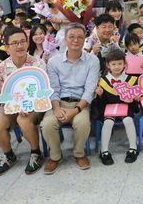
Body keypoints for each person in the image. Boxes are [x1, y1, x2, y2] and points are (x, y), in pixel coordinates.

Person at [42, 23, 100, 174]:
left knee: (83, 124)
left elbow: (89, 91)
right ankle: (55, 156)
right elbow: (53, 88)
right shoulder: (54, 62)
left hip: (80, 102)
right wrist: (56, 108)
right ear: (65, 40)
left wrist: (75, 110)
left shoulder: (92, 61)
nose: (76, 40)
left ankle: (79, 153)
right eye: (71, 37)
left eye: (80, 37)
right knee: (47, 124)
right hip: (59, 101)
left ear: (84, 39)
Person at [0, 26, 46, 176]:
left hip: (33, 105)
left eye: (23, 41)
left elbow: (42, 91)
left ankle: (36, 153)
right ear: (7, 47)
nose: (20, 46)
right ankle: (9, 155)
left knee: (24, 119)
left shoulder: (38, 64)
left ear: (28, 44)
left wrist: (25, 104)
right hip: (9, 106)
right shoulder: (1, 69)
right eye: (15, 43)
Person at [95, 49, 139, 165]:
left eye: (120, 63)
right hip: (110, 108)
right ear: (108, 65)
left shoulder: (131, 79)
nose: (117, 67)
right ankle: (104, 151)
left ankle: (133, 148)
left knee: (129, 120)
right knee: (108, 123)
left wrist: (133, 99)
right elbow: (103, 102)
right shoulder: (103, 81)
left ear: (125, 64)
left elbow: (136, 98)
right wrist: (100, 95)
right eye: (113, 64)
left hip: (126, 107)